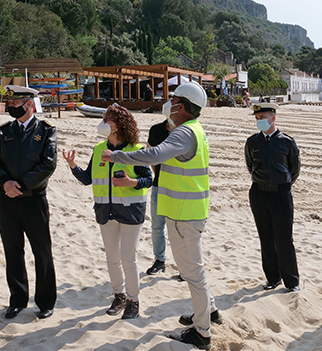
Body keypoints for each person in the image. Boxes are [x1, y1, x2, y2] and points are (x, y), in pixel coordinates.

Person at [102, 82, 220, 350]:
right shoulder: (195, 129)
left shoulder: (184, 133)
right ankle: (208, 311)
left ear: (182, 106)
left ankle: (202, 331)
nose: (169, 104)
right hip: (189, 210)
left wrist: (117, 156)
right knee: (194, 268)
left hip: (183, 214)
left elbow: (154, 154)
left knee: (193, 272)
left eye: (174, 100)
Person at [63, 105, 152, 319]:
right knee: (112, 259)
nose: (103, 123)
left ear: (119, 125)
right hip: (106, 212)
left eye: (107, 120)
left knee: (128, 259)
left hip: (131, 212)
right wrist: (73, 165)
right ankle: (119, 296)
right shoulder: (98, 149)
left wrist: (131, 182)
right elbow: (87, 179)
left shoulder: (135, 149)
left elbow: (148, 179)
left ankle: (133, 301)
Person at [0, 85, 57, 320]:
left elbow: (48, 164)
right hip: (7, 199)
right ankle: (17, 299)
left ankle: (45, 301)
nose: (10, 107)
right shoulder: (3, 131)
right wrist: (5, 182)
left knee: (42, 251)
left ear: (29, 104)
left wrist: (22, 185)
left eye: (15, 103)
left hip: (33, 199)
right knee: (12, 250)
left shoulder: (46, 131)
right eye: (9, 103)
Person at [244, 103, 301, 293]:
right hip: (259, 193)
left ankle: (291, 281)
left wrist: (282, 184)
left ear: (273, 118)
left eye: (262, 117)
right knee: (265, 237)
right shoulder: (252, 142)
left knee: (284, 238)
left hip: (280, 194)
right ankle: (272, 278)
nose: (259, 121)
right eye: (257, 118)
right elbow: (250, 165)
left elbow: (294, 170)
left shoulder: (287, 142)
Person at [144, 119, 181, 280]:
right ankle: (159, 260)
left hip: (180, 188)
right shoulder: (156, 130)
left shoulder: (185, 130)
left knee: (179, 229)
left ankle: (184, 266)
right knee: (157, 226)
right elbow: (150, 154)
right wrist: (157, 174)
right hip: (159, 185)